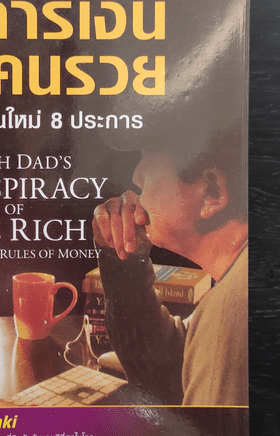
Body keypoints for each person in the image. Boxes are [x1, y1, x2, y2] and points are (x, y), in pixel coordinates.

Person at [92, 126, 248, 407]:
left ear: (211, 192)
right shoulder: (237, 282)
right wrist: (124, 260)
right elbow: (170, 373)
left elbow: (205, 435)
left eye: (151, 151)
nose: (137, 175)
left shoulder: (232, 307)